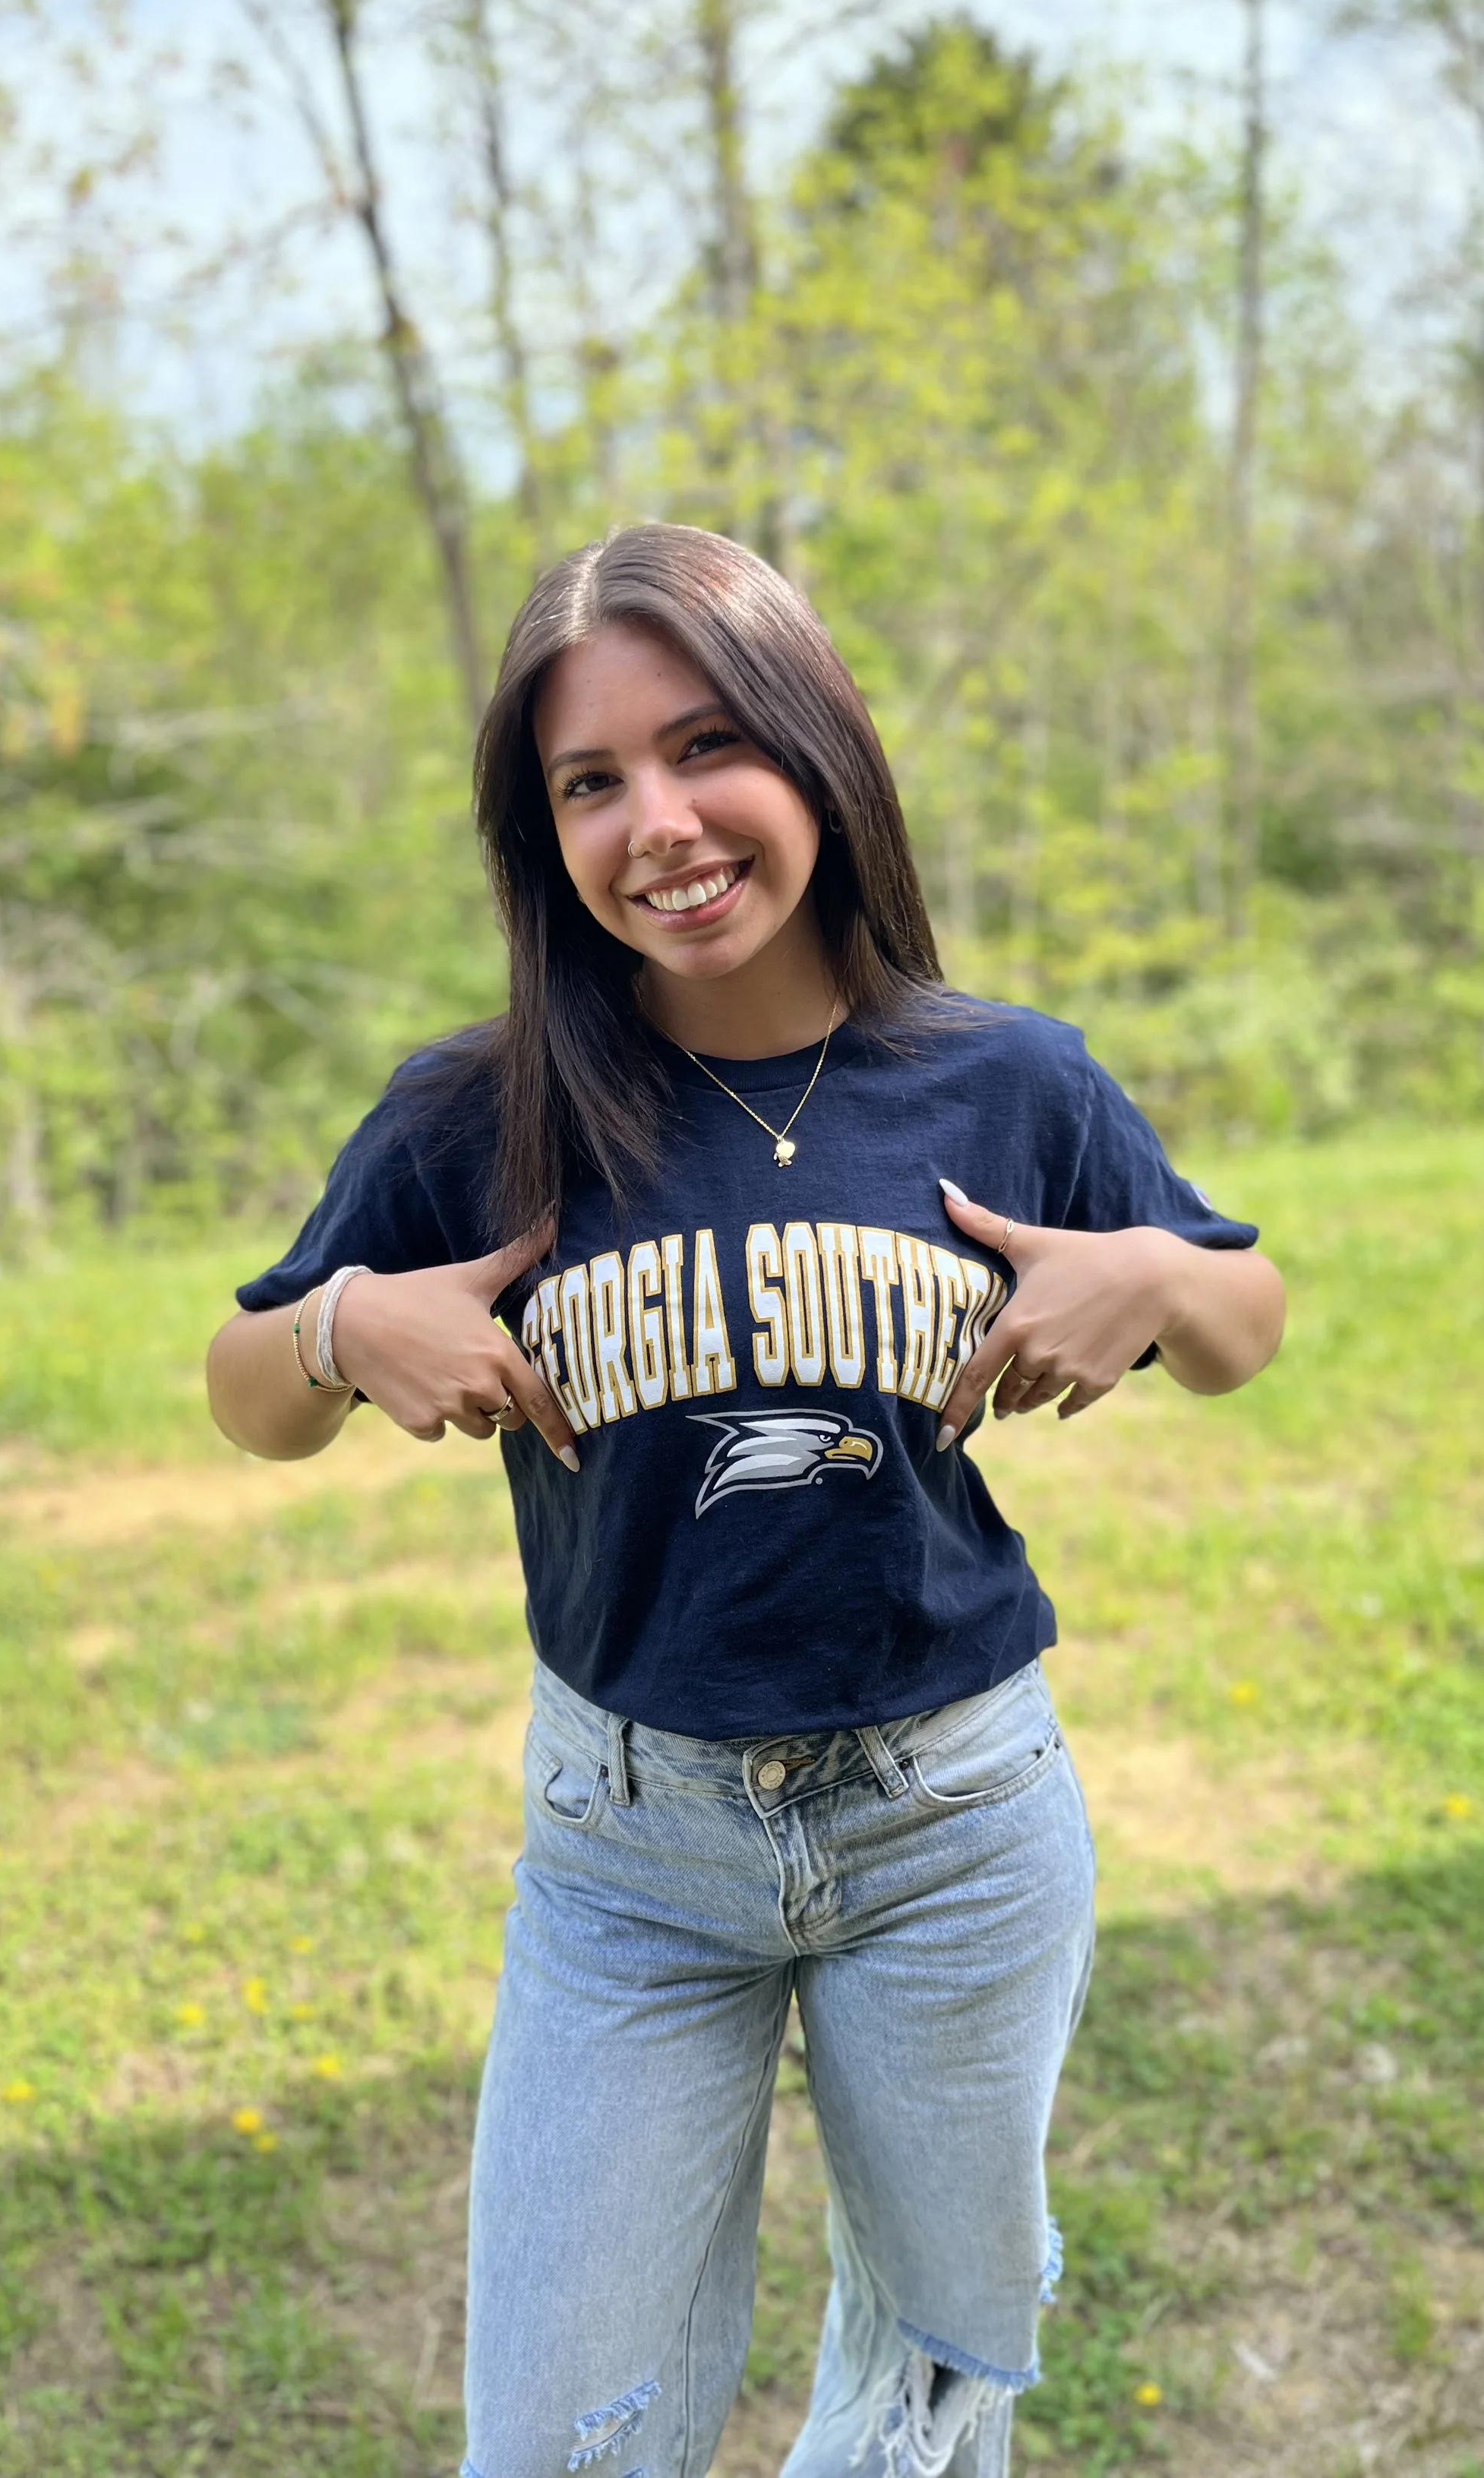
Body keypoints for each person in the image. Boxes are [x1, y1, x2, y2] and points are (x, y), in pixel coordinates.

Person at [207, 524, 1284, 2478]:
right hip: (632, 1855)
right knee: (559, 2435)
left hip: (955, 1826)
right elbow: (247, 1385)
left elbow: (1242, 1315)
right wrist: (347, 1326)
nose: (659, 822)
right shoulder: (481, 1112)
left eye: (708, 746)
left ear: (819, 755)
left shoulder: (1003, 1078)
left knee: (931, 2382)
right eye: (589, 779)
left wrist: (1160, 1282)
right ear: (541, 833)